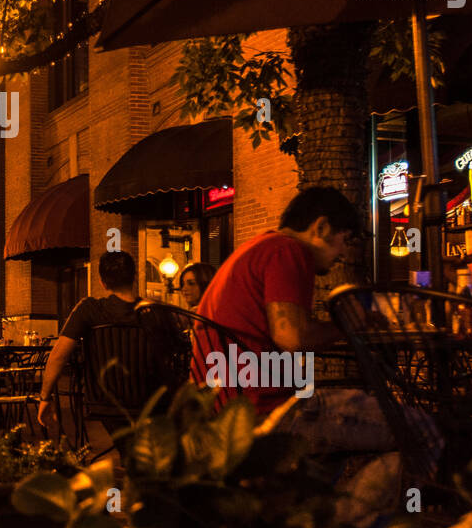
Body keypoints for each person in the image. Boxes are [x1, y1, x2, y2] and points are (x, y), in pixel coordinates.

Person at [193, 185, 356, 416]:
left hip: (218, 403)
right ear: (321, 227)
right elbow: (292, 337)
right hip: (258, 410)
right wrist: (350, 324)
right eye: (345, 240)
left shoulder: (258, 247)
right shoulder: (287, 251)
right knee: (409, 423)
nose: (344, 253)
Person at [37, 251, 184, 433]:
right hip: (152, 402)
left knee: (132, 448)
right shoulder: (156, 312)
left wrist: (45, 397)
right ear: (134, 277)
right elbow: (177, 353)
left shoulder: (89, 310)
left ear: (103, 282)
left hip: (106, 403)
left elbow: (58, 356)